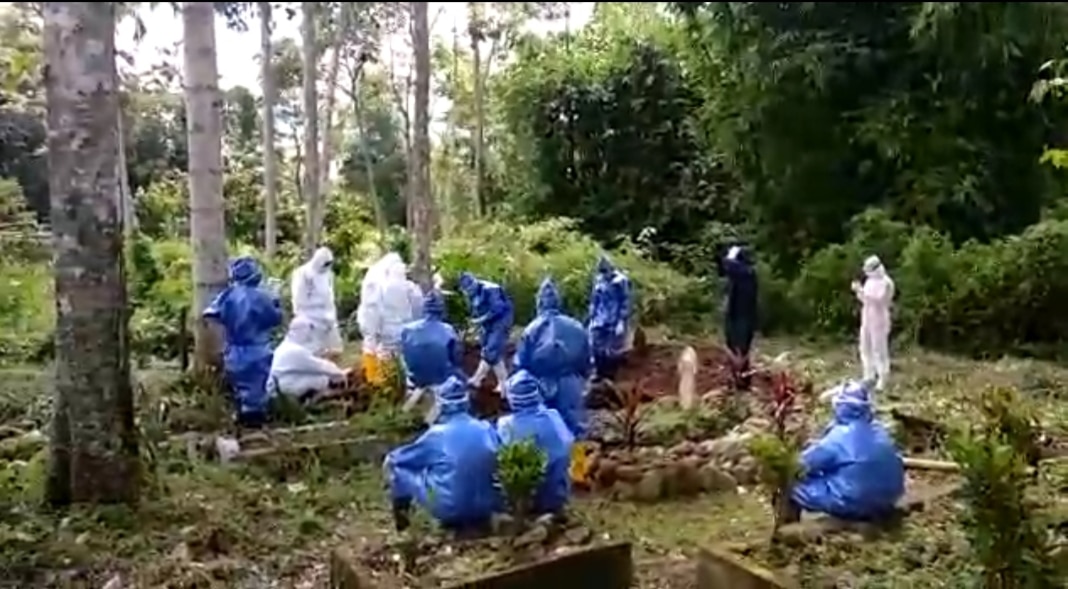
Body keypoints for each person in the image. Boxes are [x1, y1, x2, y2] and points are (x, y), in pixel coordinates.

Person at [383, 376, 502, 531]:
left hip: (450, 508)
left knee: (397, 469)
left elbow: (398, 460)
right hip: (488, 504)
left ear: (440, 405)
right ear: (466, 402)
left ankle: (404, 527)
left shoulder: (436, 435)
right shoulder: (485, 428)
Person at [514, 277, 592, 483]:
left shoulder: (531, 329)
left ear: (539, 302)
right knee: (576, 427)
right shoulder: (576, 327)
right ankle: (578, 473)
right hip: (570, 383)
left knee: (541, 429)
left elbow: (521, 363)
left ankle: (546, 474)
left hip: (539, 384)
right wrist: (583, 378)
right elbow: (586, 360)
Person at [791, 380, 905, 521]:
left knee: (791, 484)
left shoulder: (839, 437)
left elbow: (804, 465)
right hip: (889, 498)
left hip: (855, 501)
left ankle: (786, 530)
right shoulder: (880, 431)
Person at [203, 257, 284, 427]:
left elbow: (210, 313)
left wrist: (229, 321)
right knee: (258, 392)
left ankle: (243, 421)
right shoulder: (261, 297)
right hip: (257, 350)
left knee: (241, 390)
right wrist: (275, 301)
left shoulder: (228, 295)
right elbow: (275, 318)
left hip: (234, 350)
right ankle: (256, 424)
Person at [496, 370, 574, 515]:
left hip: (525, 500)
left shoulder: (505, 425)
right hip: (558, 497)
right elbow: (569, 444)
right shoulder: (554, 416)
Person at [400, 288, 465, 418]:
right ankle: (433, 418)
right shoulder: (448, 330)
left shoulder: (407, 329)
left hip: (414, 375)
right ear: (442, 310)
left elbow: (404, 353)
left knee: (422, 376)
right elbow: (456, 358)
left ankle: (404, 411)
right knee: (462, 381)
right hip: (440, 377)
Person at [268, 316, 349, 401]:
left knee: (320, 377)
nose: (310, 334)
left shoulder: (287, 346)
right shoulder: (294, 350)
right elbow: (319, 366)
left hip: (282, 385)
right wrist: (340, 373)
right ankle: (313, 399)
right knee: (321, 380)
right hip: (285, 388)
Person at [458, 271, 514, 394]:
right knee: (489, 350)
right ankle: (504, 384)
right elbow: (475, 311)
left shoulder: (491, 289)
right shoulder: (470, 295)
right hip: (487, 322)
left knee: (491, 349)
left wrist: (480, 320)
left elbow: (498, 309)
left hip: (501, 320)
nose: (469, 292)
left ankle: (477, 378)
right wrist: (474, 324)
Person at [851, 255, 894, 391]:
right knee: (865, 347)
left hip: (879, 319)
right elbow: (865, 299)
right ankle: (868, 375)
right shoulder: (870, 281)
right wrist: (858, 291)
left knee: (879, 349)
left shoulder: (886, 282)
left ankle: (882, 377)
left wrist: (861, 291)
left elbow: (879, 301)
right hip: (867, 317)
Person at [291, 246, 342, 360]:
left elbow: (329, 295)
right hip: (310, 318)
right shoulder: (303, 273)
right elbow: (299, 298)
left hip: (327, 317)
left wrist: (331, 315)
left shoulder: (328, 274)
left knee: (333, 351)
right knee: (313, 351)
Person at [719, 245, 759, 389]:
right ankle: (737, 380)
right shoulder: (736, 276)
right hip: (734, 315)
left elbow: (729, 264)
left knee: (741, 350)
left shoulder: (747, 274)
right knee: (732, 346)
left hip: (743, 317)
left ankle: (742, 382)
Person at [588, 254, 631, 381]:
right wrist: (592, 313)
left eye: (605, 271)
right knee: (596, 345)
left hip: (614, 317)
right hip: (600, 318)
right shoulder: (599, 280)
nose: (604, 274)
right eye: (601, 271)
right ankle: (598, 372)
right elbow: (594, 299)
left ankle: (612, 374)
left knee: (613, 348)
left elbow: (625, 301)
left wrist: (621, 321)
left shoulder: (621, 281)